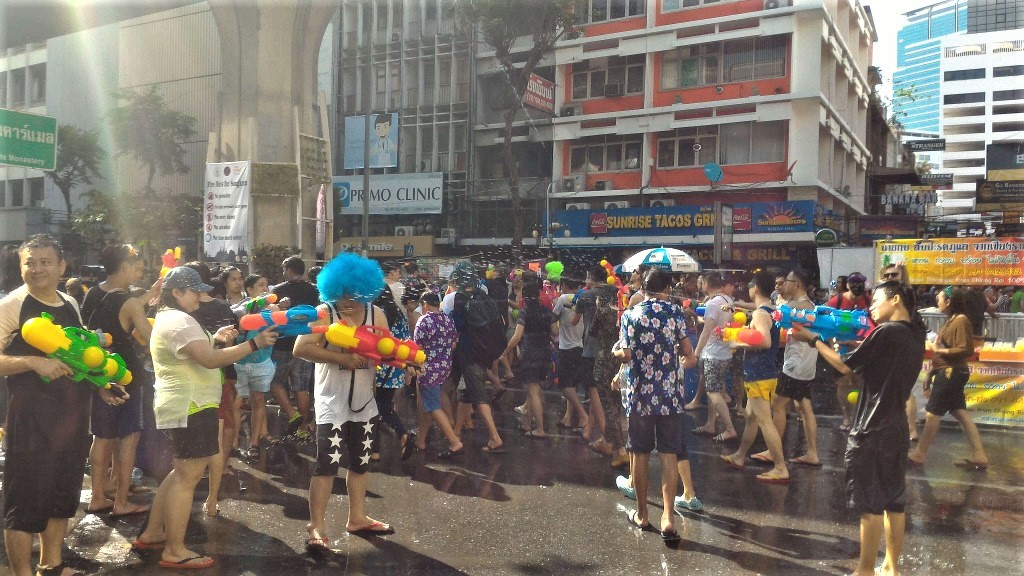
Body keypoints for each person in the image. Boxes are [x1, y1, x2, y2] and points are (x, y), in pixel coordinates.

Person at [135, 267, 276, 569]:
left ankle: (152, 533)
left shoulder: (171, 318)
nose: (201, 297)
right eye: (194, 291)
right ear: (176, 293)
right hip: (192, 406)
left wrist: (217, 338)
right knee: (187, 479)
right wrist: (253, 344)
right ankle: (174, 549)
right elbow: (209, 360)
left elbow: (196, 350)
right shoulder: (179, 321)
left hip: (186, 405)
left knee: (180, 474)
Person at [0, 235, 123, 576]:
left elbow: (80, 357)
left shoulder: (69, 302)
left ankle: (50, 566)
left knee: (61, 498)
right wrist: (32, 362)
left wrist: (101, 386)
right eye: (30, 262)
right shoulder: (12, 304)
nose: (37, 269)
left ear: (61, 266)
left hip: (71, 420)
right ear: (21, 266)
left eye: (45, 262)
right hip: (31, 422)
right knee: (24, 504)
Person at [790, 281, 925, 576]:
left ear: (897, 299)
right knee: (894, 501)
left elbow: (843, 365)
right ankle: (891, 567)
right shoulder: (916, 334)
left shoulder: (886, 331)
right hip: (896, 427)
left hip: (871, 428)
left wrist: (813, 339)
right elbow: (876, 364)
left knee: (870, 504)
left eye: (876, 301)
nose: (871, 307)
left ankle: (864, 571)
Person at [294, 253, 414, 550]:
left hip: (364, 404)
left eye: (355, 294)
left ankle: (357, 517)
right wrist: (342, 358)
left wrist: (406, 362)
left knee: (360, 464)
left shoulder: (377, 315)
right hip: (330, 404)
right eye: (342, 293)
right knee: (326, 465)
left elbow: (386, 350)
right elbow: (300, 348)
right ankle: (316, 527)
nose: (347, 300)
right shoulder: (325, 312)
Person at [614, 268, 695, 541]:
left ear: (644, 288)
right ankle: (669, 517)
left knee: (639, 452)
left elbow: (625, 354)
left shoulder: (630, 315)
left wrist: (617, 352)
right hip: (670, 395)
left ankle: (642, 513)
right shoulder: (674, 313)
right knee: (669, 454)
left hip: (640, 396)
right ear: (667, 288)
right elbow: (687, 352)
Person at [80, 244, 153, 518]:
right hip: (127, 377)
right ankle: (121, 501)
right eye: (136, 266)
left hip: (98, 374)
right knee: (129, 439)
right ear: (124, 266)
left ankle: (98, 495)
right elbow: (149, 336)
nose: (137, 271)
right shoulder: (130, 302)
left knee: (101, 438)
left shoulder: (93, 294)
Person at [908, 287, 988, 469]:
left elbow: (965, 349)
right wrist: (931, 371)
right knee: (960, 412)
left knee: (933, 413)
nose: (937, 300)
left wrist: (939, 350)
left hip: (951, 372)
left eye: (940, 298)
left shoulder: (960, 320)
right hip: (949, 371)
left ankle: (919, 453)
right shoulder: (952, 320)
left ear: (949, 301)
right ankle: (979, 455)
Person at [720, 271, 789, 483]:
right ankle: (740, 456)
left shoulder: (760, 314)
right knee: (751, 417)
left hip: (758, 373)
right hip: (766, 371)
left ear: (755, 289)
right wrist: (737, 308)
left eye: (750, 287)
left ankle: (780, 468)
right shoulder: (771, 310)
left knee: (764, 421)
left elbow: (765, 342)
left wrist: (736, 342)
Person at [183, 261, 239, 516]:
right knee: (218, 434)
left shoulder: (183, 310)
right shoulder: (222, 307)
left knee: (185, 439)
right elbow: (234, 338)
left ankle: (183, 492)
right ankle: (213, 500)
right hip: (220, 374)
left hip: (189, 379)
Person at [757, 268, 820, 467]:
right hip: (807, 363)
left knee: (777, 404)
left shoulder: (796, 305)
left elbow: (775, 317)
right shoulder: (809, 304)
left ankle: (773, 451)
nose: (785, 285)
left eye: (788, 281)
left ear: (797, 284)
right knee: (804, 407)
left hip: (796, 364)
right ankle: (812, 453)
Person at [449, 262, 505, 453]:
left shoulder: (460, 297)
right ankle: (456, 431)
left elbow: (457, 324)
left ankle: (495, 437)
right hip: (485, 351)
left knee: (478, 396)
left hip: (469, 353)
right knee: (465, 393)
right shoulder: (482, 294)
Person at [270, 255, 320, 437]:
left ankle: (292, 413)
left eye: (284, 270)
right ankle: (303, 427)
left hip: (282, 344)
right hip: (305, 343)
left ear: (289, 270)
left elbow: (271, 317)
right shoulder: (314, 291)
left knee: (274, 382)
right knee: (302, 386)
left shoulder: (277, 291)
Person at [503, 273, 557, 438]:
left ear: (525, 297)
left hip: (530, 352)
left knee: (533, 391)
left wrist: (505, 351)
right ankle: (527, 423)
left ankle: (539, 428)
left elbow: (517, 336)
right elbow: (556, 332)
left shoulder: (524, 313)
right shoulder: (547, 312)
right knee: (535, 389)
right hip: (545, 352)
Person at [573, 264, 616, 464]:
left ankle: (608, 439)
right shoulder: (614, 293)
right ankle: (591, 430)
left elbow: (574, 320)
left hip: (591, 349)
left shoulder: (586, 296)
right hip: (612, 349)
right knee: (598, 393)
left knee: (593, 392)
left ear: (591, 277)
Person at [412, 291, 462, 457]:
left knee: (432, 406)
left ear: (425, 304)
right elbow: (454, 343)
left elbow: (416, 348)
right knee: (430, 402)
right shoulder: (448, 319)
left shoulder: (424, 320)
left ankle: (454, 441)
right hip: (445, 366)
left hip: (428, 368)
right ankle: (421, 439)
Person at [232, 274, 276, 458]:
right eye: (260, 285)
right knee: (237, 403)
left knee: (258, 401)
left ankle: (254, 443)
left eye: (266, 284)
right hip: (239, 363)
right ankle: (233, 443)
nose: (265, 288)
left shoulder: (271, 310)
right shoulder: (240, 308)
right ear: (249, 290)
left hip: (261, 363)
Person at [692, 272, 737, 442]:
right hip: (724, 352)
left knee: (713, 392)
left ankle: (730, 428)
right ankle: (710, 424)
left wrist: (696, 353)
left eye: (701, 282)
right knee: (715, 389)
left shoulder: (712, 303)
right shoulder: (727, 300)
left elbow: (707, 329)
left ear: (706, 283)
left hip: (713, 354)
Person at [371, 286, 414, 461]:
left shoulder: (374, 314)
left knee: (372, 410)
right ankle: (402, 435)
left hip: (376, 367)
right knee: (385, 406)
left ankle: (375, 450)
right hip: (394, 367)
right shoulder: (399, 315)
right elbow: (405, 341)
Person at [551, 276, 591, 433]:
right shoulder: (584, 298)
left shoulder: (563, 298)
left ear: (564, 285)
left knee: (564, 386)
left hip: (566, 347)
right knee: (572, 384)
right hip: (579, 346)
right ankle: (568, 417)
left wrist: (555, 332)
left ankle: (583, 416)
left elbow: (553, 317)